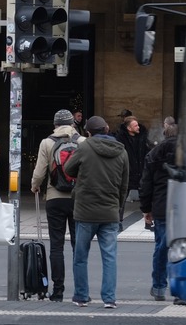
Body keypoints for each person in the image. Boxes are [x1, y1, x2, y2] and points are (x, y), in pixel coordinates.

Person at [63, 115, 129, 310]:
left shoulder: (84, 147)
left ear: (89, 132)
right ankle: (109, 299)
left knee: (81, 256)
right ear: (107, 129)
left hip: (85, 211)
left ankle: (81, 296)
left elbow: (68, 168)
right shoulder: (121, 151)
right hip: (109, 212)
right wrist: (118, 209)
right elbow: (124, 186)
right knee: (109, 257)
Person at [30, 108, 82, 302]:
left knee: (56, 246)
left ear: (55, 125)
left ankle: (58, 291)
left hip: (55, 198)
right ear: (72, 124)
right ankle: (80, 290)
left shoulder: (47, 142)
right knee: (79, 246)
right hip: (78, 199)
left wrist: (35, 186)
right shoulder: (82, 142)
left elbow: (39, 171)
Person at [139, 117, 181, 303]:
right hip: (183, 207)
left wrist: (146, 209)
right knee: (181, 249)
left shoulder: (154, 154)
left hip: (162, 205)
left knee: (161, 247)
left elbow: (145, 185)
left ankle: (158, 287)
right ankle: (180, 291)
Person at [113, 112, 152, 206]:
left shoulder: (143, 137)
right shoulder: (120, 139)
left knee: (146, 198)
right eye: (135, 126)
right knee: (121, 200)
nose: (138, 127)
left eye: (137, 125)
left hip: (141, 171)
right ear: (129, 128)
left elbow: (148, 151)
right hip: (127, 173)